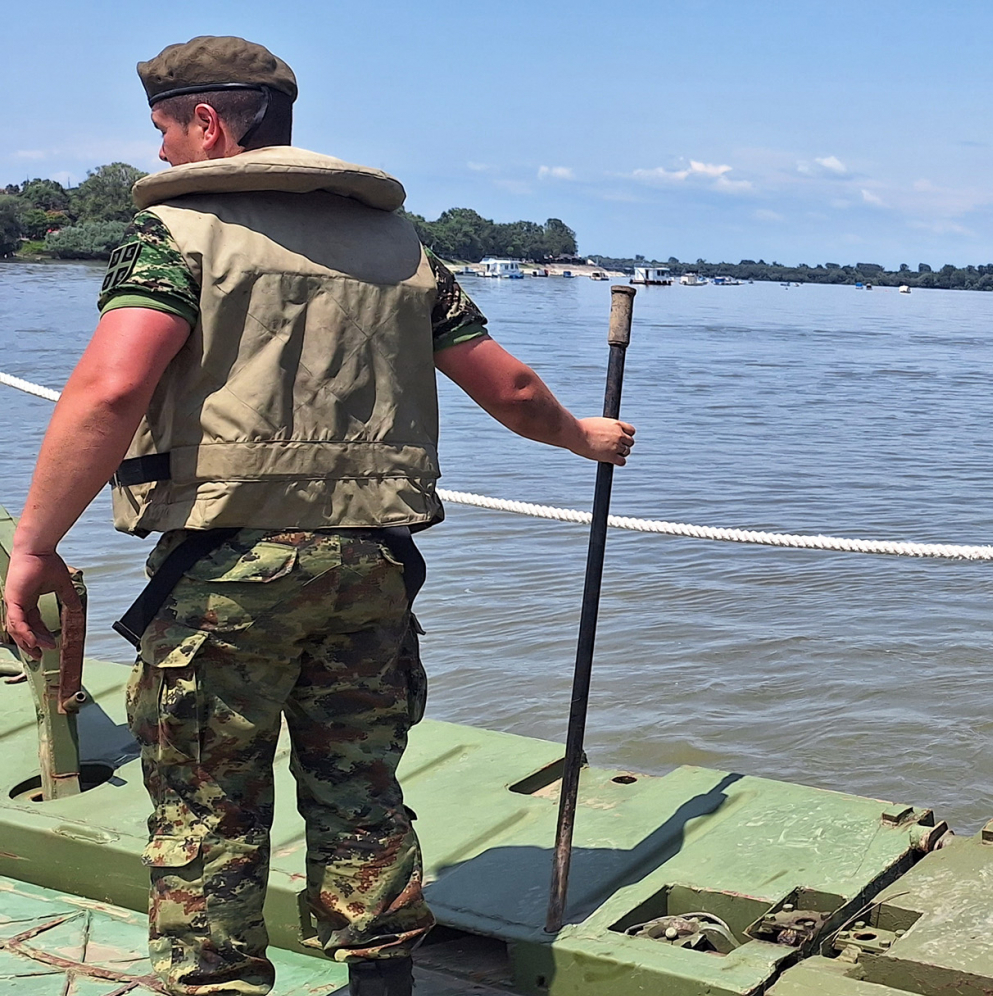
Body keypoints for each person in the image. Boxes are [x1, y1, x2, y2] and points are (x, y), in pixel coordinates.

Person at [0, 36, 634, 996]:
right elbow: (507, 389)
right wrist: (583, 438)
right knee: (362, 791)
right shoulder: (402, 248)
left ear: (208, 122)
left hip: (226, 577)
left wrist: (33, 545)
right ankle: (382, 983)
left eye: (166, 131)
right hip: (373, 568)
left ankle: (216, 984)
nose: (163, 156)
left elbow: (110, 389)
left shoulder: (178, 236)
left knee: (207, 807)